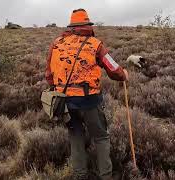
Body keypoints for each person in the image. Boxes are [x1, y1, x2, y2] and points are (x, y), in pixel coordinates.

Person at [45, 9, 129, 180]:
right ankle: (105, 176)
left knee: (76, 137)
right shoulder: (95, 44)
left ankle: (80, 175)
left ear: (72, 26)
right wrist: (124, 75)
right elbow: (113, 69)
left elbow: (49, 75)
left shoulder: (56, 44)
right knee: (101, 137)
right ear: (87, 25)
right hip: (89, 100)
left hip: (65, 102)